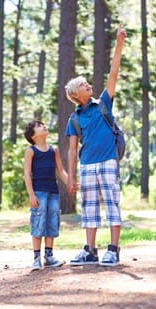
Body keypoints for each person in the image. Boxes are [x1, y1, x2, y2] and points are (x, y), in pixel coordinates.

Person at [65, 23, 126, 267]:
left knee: (112, 203)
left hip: (108, 160)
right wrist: (70, 177)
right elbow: (71, 149)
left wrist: (119, 42)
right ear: (75, 95)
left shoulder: (103, 103)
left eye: (86, 82)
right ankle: (90, 250)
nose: (87, 84)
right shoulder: (75, 118)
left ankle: (113, 249)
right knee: (89, 207)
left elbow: (113, 74)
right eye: (82, 84)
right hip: (87, 165)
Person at [24, 120, 68, 271]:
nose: (43, 126)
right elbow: (27, 174)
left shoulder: (53, 150)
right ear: (33, 135)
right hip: (38, 192)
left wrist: (71, 183)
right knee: (38, 222)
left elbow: (61, 171)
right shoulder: (31, 151)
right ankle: (36, 258)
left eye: (43, 124)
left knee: (52, 222)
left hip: (53, 192)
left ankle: (49, 257)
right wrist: (31, 194)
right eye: (39, 126)